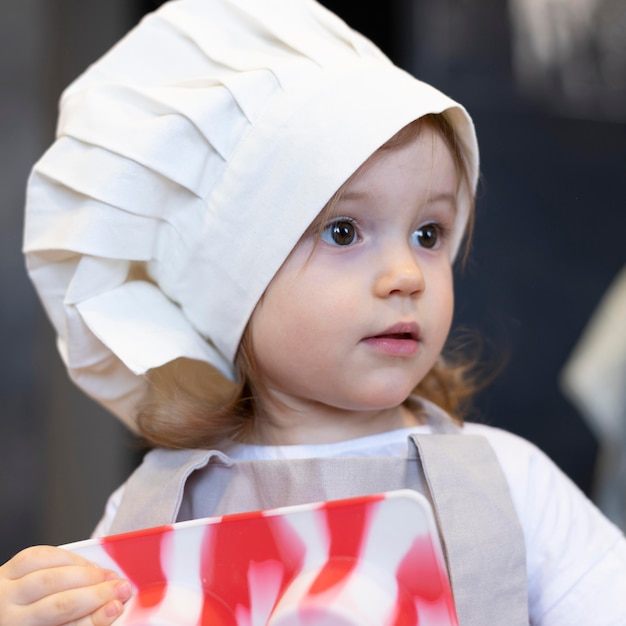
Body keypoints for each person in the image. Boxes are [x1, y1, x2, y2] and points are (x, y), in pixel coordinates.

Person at [2, 0, 625, 624]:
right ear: (230, 282)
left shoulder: (508, 486)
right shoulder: (155, 508)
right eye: (345, 231)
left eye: (429, 234)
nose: (406, 275)